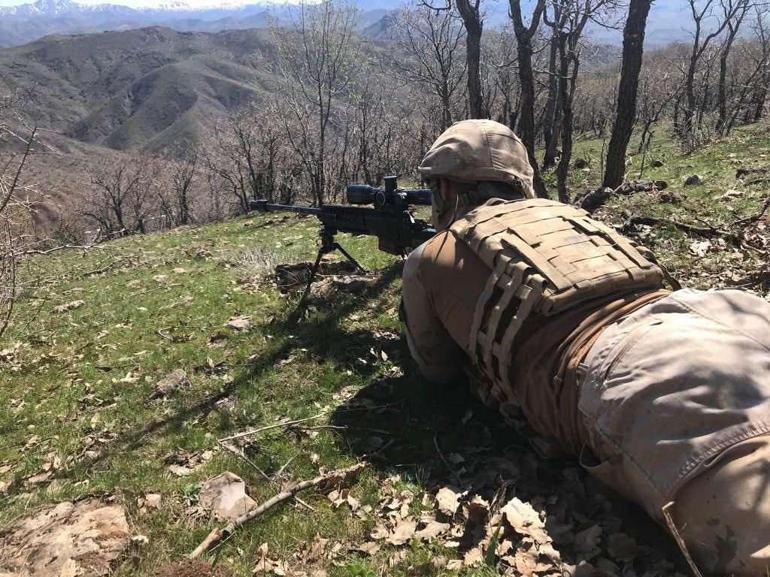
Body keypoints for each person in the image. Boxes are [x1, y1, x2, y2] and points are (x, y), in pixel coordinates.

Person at [400, 119, 770, 576]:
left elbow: (434, 370)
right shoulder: (572, 216)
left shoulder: (432, 255)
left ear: (445, 188)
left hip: (635, 370)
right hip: (723, 313)